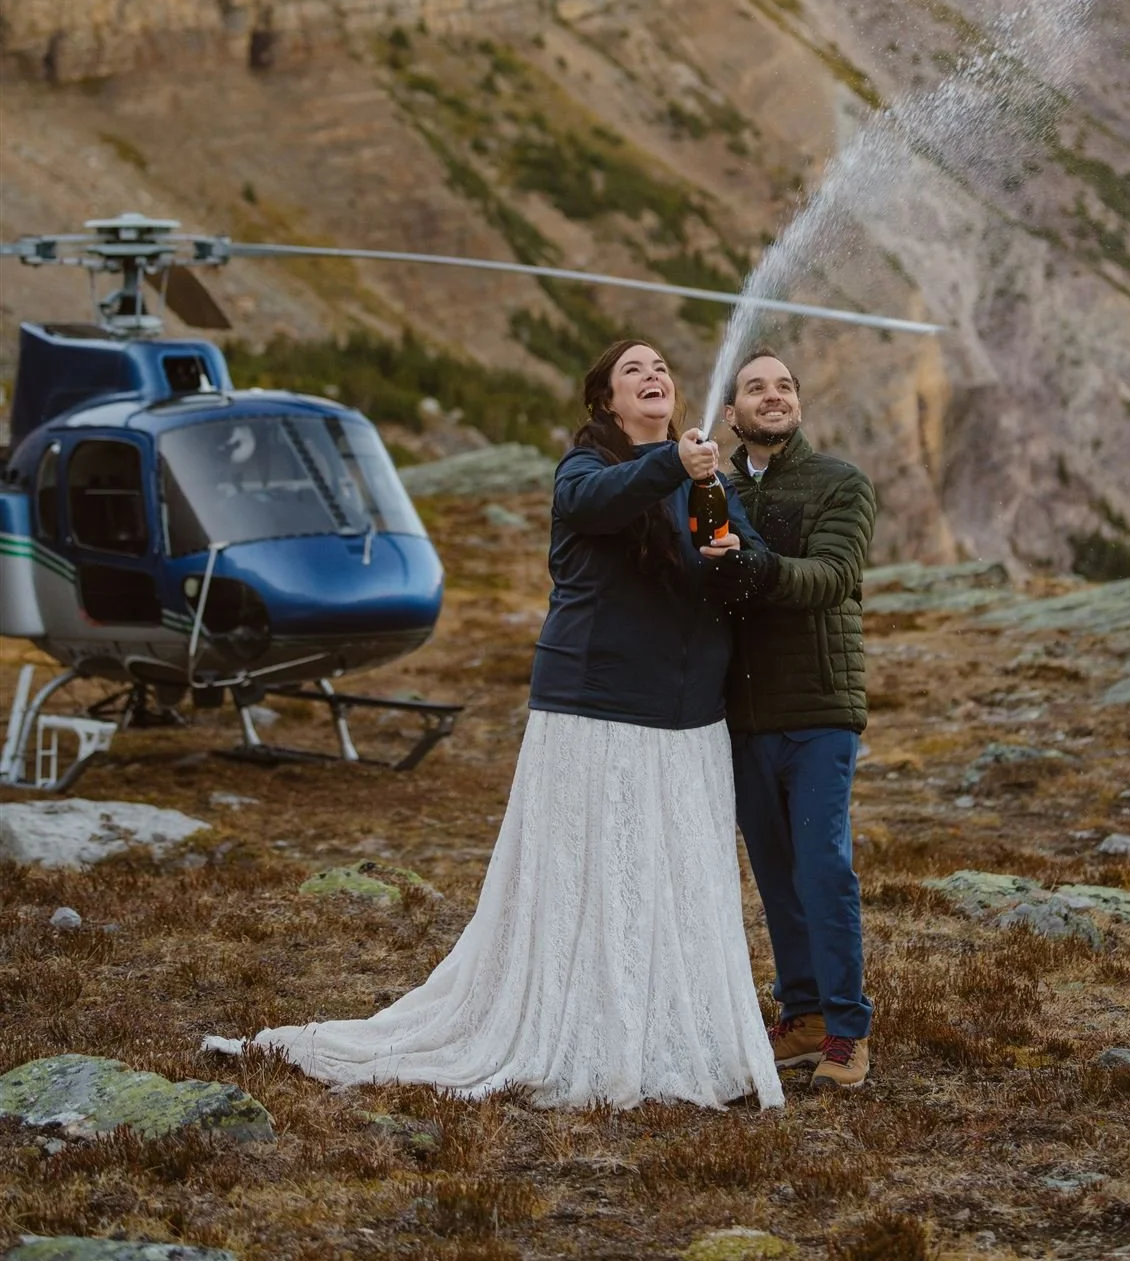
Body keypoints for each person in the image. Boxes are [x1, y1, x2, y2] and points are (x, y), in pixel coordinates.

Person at [253, 339, 783, 1111]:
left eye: (661, 368)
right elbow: (597, 506)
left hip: (688, 719)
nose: (654, 377)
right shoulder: (587, 471)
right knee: (592, 874)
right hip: (596, 710)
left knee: (667, 881)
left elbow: (751, 563)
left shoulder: (702, 482)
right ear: (605, 401)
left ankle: (668, 1029)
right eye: (632, 370)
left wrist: (737, 554)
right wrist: (677, 465)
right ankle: (583, 1030)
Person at [723, 347, 877, 1091]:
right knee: (776, 874)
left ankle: (847, 1031)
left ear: (798, 407)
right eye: (755, 388)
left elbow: (834, 577)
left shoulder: (839, 484)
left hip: (818, 707)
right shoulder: (713, 491)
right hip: (744, 714)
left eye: (783, 386)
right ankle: (802, 1013)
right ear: (731, 414)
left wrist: (759, 569)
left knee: (823, 867)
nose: (772, 396)